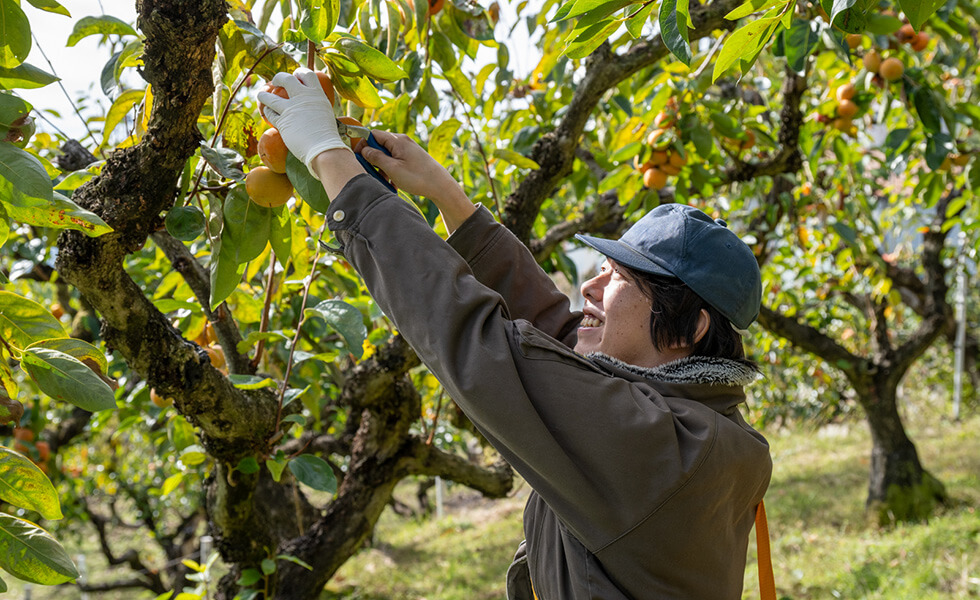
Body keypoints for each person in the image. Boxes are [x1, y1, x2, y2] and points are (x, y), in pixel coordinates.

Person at [259, 68, 772, 600]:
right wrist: (449, 198)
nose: (590, 286)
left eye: (619, 278)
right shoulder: (691, 416)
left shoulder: (660, 450)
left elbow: (484, 347)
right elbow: (560, 341)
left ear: (689, 328)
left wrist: (331, 159)